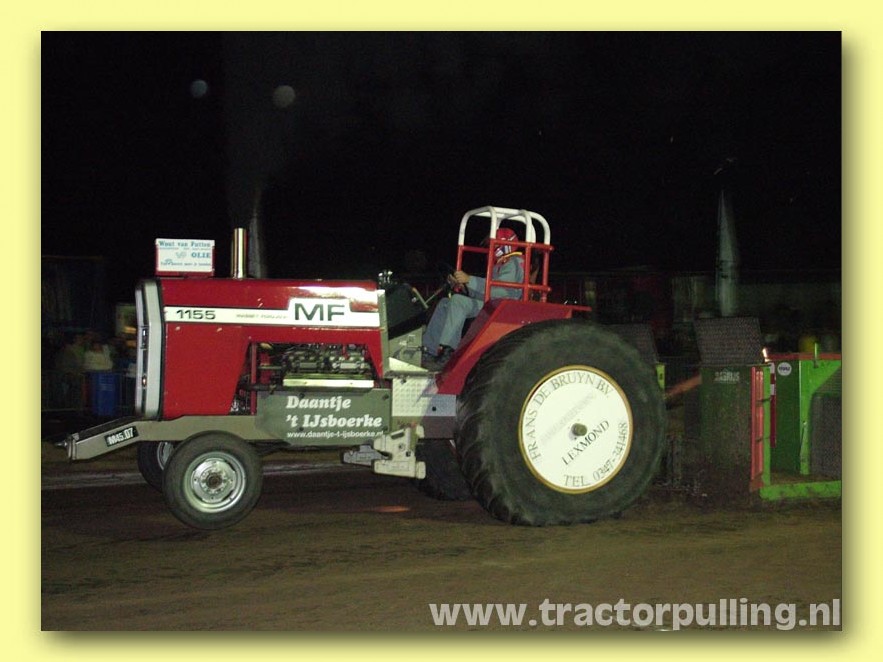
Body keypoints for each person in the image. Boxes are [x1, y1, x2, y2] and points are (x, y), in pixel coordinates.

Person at [423, 227, 525, 369]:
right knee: (445, 302)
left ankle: (448, 351)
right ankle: (429, 350)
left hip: (503, 306)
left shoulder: (513, 262)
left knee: (458, 302)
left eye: (492, 244)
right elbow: (488, 291)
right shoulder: (502, 263)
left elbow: (501, 291)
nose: (489, 248)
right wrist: (463, 285)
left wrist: (469, 280)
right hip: (494, 303)